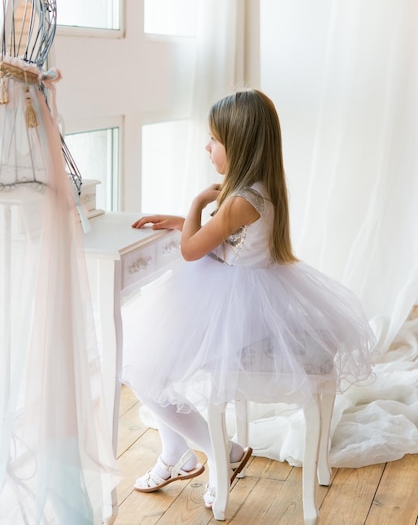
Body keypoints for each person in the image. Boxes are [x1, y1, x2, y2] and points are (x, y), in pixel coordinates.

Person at [122, 89, 375, 508]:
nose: (206, 146)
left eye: (213, 140)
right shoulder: (257, 189)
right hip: (254, 300)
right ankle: (176, 453)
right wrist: (181, 221)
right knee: (152, 366)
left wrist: (197, 202)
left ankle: (222, 452)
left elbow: (191, 250)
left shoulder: (236, 199)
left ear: (237, 144)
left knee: (143, 368)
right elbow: (230, 239)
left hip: (235, 312)